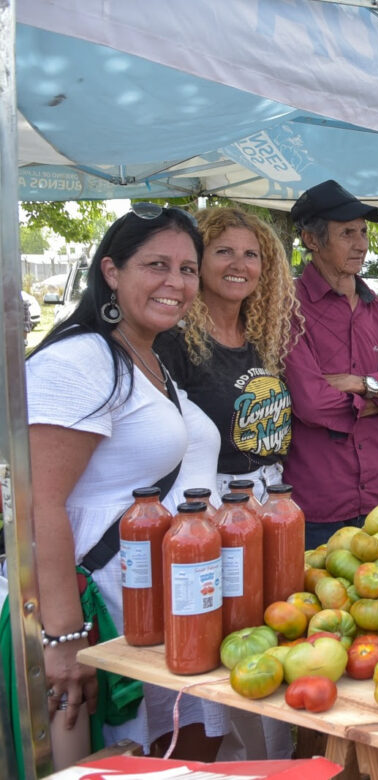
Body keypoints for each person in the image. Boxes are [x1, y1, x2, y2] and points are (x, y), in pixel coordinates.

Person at [20, 203, 225, 761]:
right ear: (112, 271)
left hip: (145, 605)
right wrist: (63, 641)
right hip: (91, 612)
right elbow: (39, 505)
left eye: (187, 269)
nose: (175, 283)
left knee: (155, 755)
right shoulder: (82, 361)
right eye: (156, 264)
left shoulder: (147, 357)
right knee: (98, 760)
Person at [282, 180, 378, 549]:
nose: (362, 244)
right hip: (321, 501)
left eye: (363, 232)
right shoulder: (289, 306)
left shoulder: (372, 305)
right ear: (311, 240)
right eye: (347, 233)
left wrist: (362, 383)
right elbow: (312, 404)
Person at [156, 207, 299, 502]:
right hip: (209, 496)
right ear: (197, 262)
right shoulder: (173, 343)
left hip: (273, 488)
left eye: (251, 255)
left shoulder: (265, 339)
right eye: (223, 251)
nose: (239, 265)